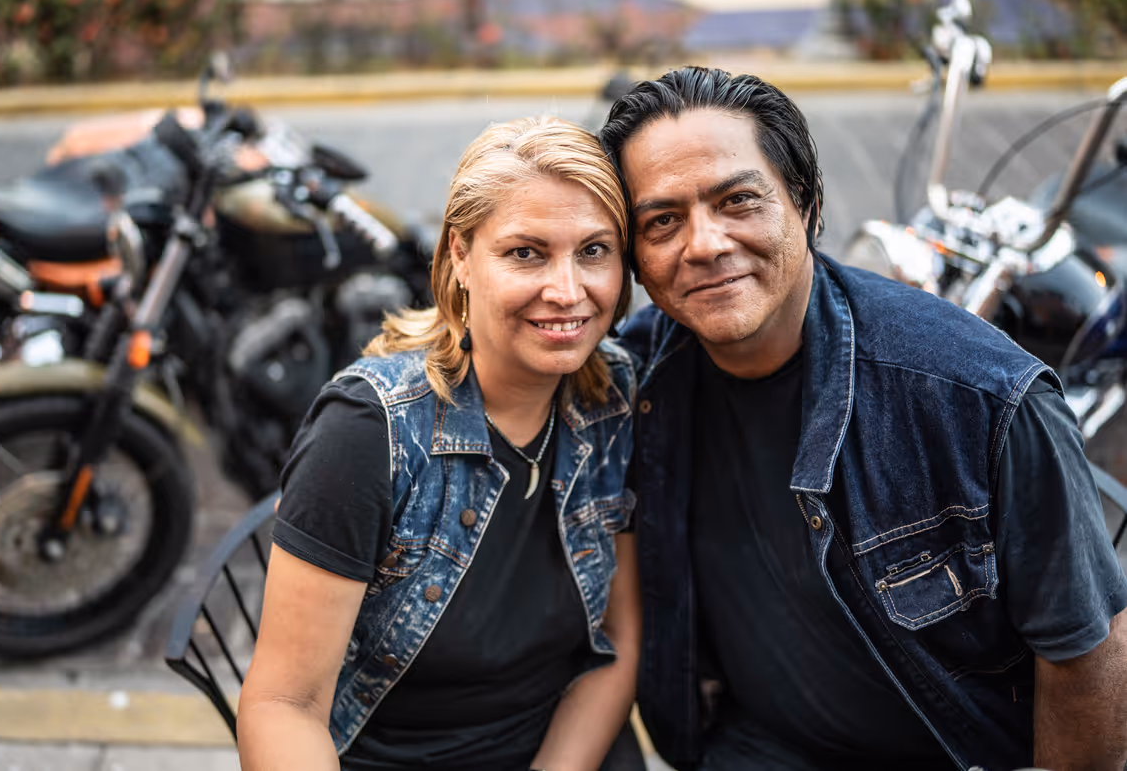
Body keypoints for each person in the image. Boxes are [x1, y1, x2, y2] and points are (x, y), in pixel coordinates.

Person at [598, 66, 1127, 771]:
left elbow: (1085, 650)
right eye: (661, 221)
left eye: (737, 201)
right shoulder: (632, 378)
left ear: (807, 206)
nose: (703, 244)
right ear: (634, 256)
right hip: (746, 750)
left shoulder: (980, 397)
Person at [239, 116, 644, 771]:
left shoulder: (612, 395)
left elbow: (616, 644)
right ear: (459, 254)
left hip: (562, 745)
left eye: (593, 250)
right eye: (525, 253)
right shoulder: (369, 432)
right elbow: (283, 704)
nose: (568, 291)